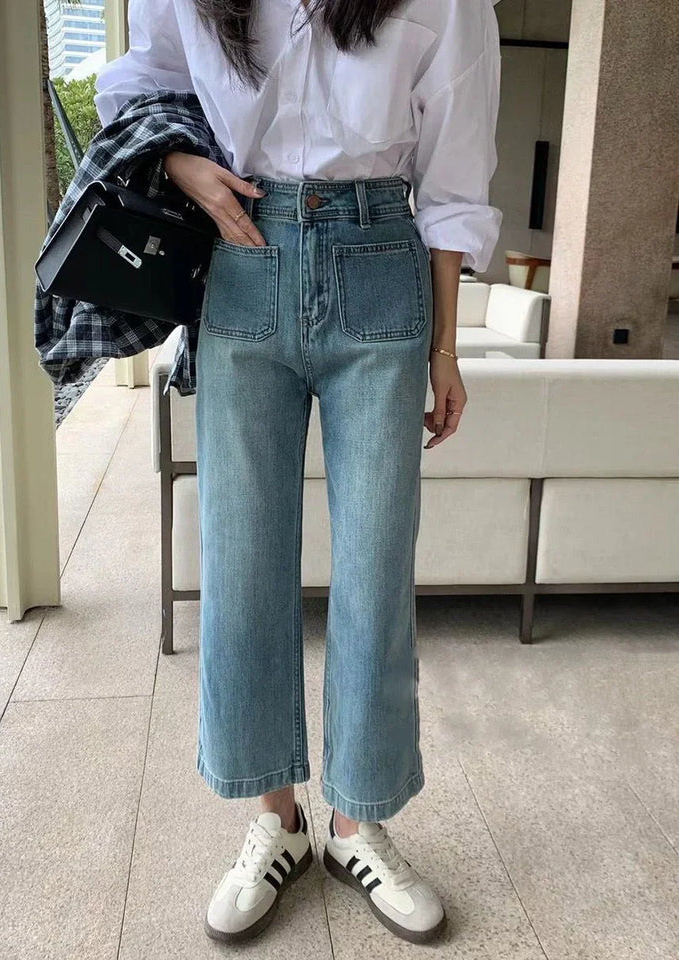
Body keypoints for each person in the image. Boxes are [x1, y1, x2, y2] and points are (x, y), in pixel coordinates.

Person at [95, 0, 502, 945]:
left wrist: (447, 349)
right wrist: (183, 166)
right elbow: (143, 84)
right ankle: (275, 819)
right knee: (241, 567)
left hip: (380, 256)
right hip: (242, 256)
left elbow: (454, 173)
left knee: (375, 570)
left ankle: (358, 823)